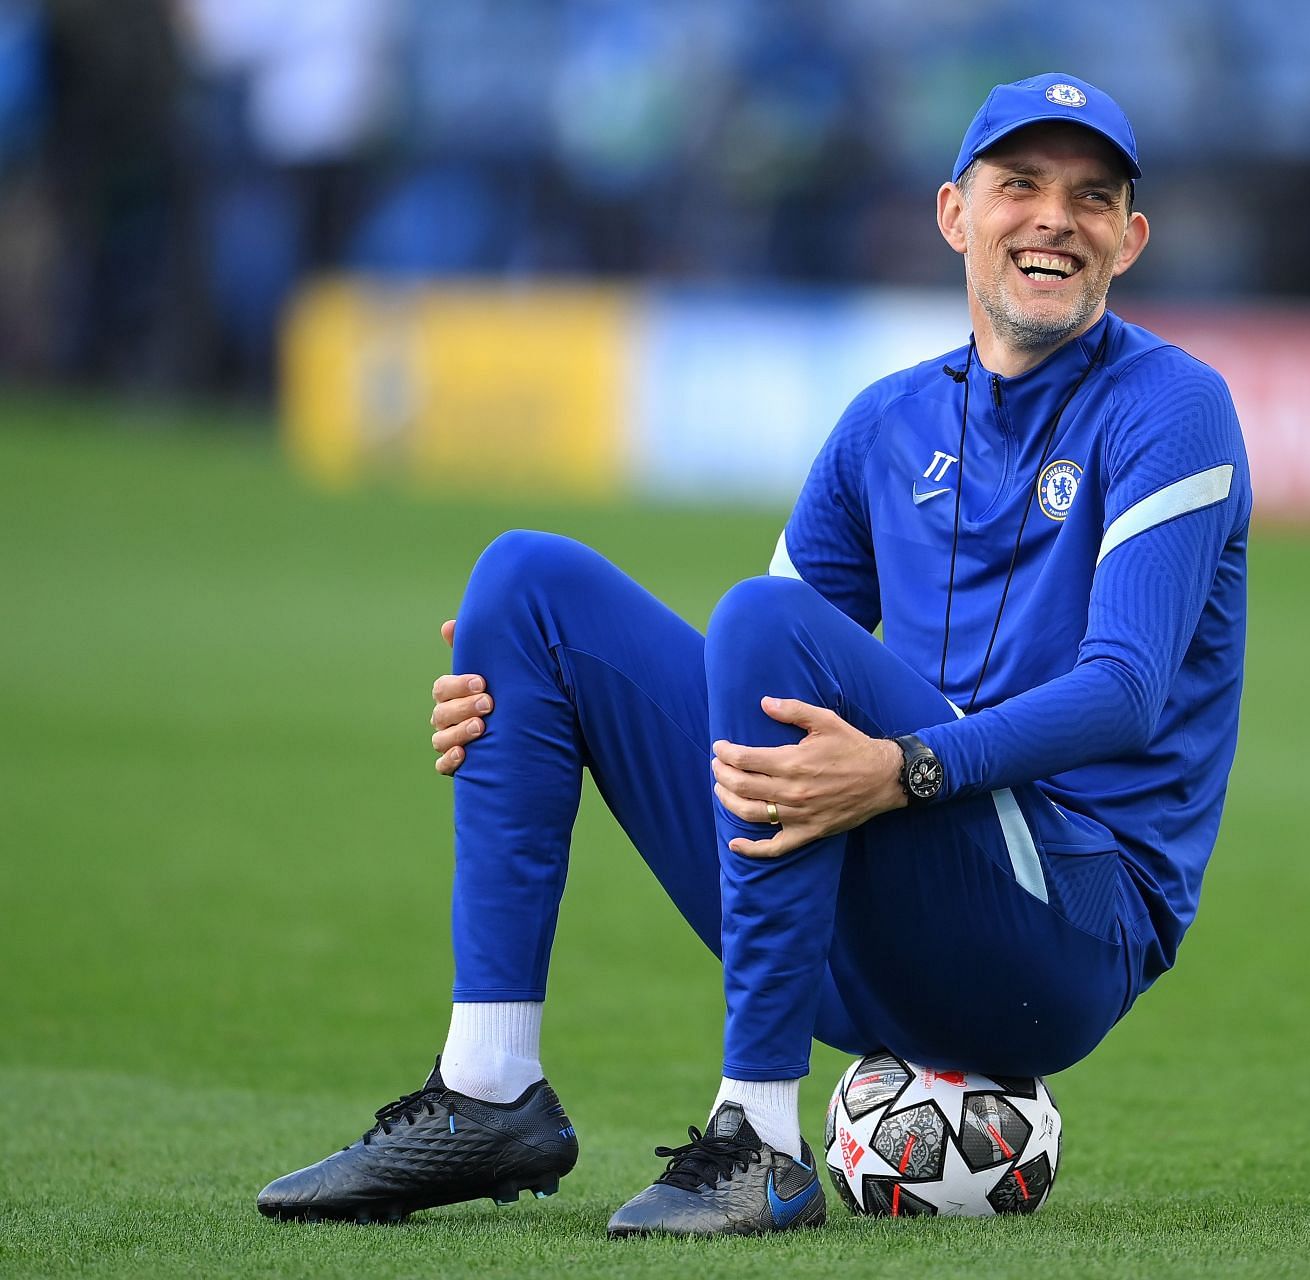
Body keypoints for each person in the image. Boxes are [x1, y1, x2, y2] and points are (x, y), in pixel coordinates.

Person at [257, 72, 1250, 1238]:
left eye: (1091, 199)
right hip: (878, 915)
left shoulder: (1174, 403)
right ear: (953, 213)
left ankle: (761, 1141)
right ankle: (488, 1089)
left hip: (1071, 923)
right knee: (526, 587)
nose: (1053, 219)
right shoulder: (886, 421)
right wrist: (528, 692)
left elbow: (1127, 689)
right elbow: (747, 686)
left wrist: (903, 768)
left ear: (1128, 239)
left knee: (762, 620)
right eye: (1018, 185)